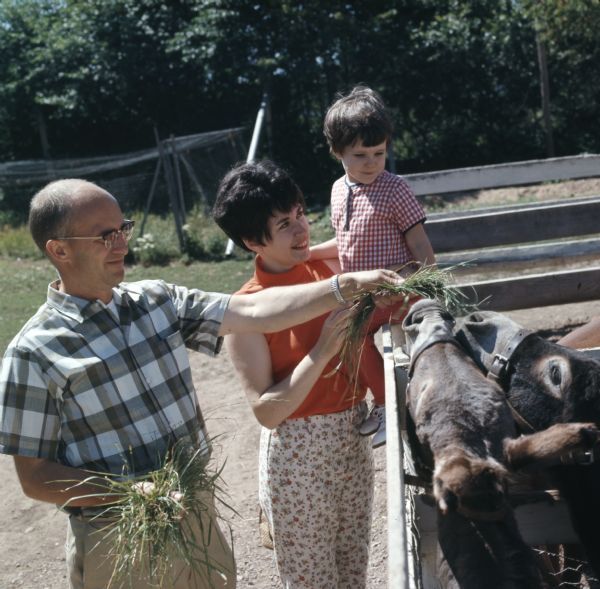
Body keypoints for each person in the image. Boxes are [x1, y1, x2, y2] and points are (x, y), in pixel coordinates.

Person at [0, 179, 404, 589]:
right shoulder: (33, 353)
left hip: (196, 513)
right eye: (106, 236)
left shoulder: (156, 301)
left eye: (123, 229)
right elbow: (34, 478)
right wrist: (130, 492)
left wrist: (342, 287)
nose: (121, 244)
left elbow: (251, 309)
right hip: (119, 534)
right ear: (59, 250)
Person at [212, 160, 402, 589]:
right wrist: (321, 351)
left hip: (353, 439)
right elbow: (266, 412)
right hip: (299, 456)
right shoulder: (245, 310)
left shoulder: (330, 274)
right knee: (312, 582)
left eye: (300, 214)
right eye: (284, 223)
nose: (301, 230)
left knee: (354, 573)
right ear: (250, 241)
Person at [311, 85, 436, 448]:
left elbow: (422, 249)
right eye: (360, 154)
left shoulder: (394, 189)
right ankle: (381, 401)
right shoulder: (338, 190)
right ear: (338, 153)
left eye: (378, 153)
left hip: (398, 290)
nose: (371, 163)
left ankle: (387, 405)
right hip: (362, 293)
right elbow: (347, 241)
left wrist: (408, 286)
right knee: (340, 329)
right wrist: (309, 255)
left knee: (350, 330)